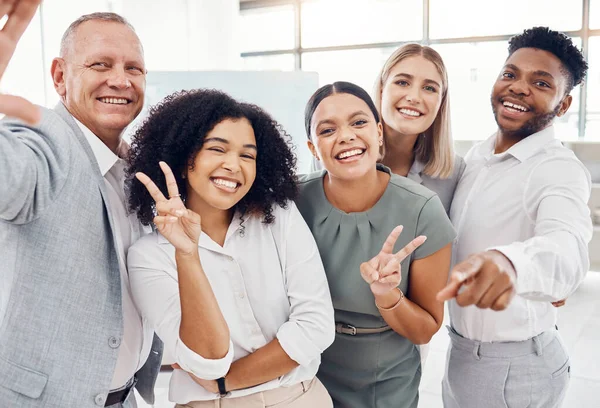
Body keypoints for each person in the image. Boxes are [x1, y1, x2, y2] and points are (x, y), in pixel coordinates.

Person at [126, 89, 335, 407]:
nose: (234, 165)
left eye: (247, 155)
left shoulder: (278, 217)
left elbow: (317, 326)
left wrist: (225, 382)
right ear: (183, 160)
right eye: (217, 149)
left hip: (302, 397)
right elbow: (206, 362)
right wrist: (188, 254)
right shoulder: (148, 256)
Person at [0, 6, 162, 408]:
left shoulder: (138, 168)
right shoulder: (37, 141)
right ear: (60, 76)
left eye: (134, 69)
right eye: (100, 64)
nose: (120, 80)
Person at [437, 27, 593, 408]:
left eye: (540, 82)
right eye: (510, 74)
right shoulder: (477, 155)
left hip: (513, 368)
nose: (519, 88)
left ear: (564, 103)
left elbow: (567, 248)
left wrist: (512, 263)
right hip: (461, 351)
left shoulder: (557, 169)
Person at [296, 81, 456, 408]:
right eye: (328, 130)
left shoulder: (422, 209)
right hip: (302, 369)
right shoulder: (293, 201)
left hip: (382, 380)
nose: (346, 136)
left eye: (358, 122)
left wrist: (387, 295)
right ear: (313, 149)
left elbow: (424, 330)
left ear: (379, 133)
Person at [373, 43, 465, 214]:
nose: (414, 97)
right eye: (402, 82)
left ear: (441, 102)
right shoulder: (337, 153)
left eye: (429, 88)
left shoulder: (454, 173)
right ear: (381, 89)